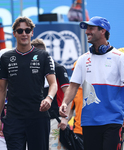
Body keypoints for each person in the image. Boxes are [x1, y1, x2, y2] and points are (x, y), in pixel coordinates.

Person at [59, 16, 124, 150]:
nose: (87, 31)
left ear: (103, 31)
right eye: (86, 28)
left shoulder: (119, 58)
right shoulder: (82, 60)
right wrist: (65, 102)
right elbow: (73, 87)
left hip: (113, 121)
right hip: (89, 122)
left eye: (91, 28)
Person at [0, 16, 57, 150]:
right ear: (14, 34)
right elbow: (1, 90)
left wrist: (49, 98)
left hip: (38, 116)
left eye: (27, 30)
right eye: (20, 31)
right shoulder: (6, 58)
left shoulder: (43, 56)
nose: (24, 34)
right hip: (14, 117)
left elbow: (53, 83)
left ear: (32, 33)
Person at [31, 38, 69, 150]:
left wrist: (65, 119)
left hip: (55, 120)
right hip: (35, 119)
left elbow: (69, 95)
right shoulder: (31, 70)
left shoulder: (58, 68)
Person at [68, 61, 83, 140]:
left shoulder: (97, 87)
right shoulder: (74, 90)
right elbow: (69, 112)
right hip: (78, 131)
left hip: (97, 128)